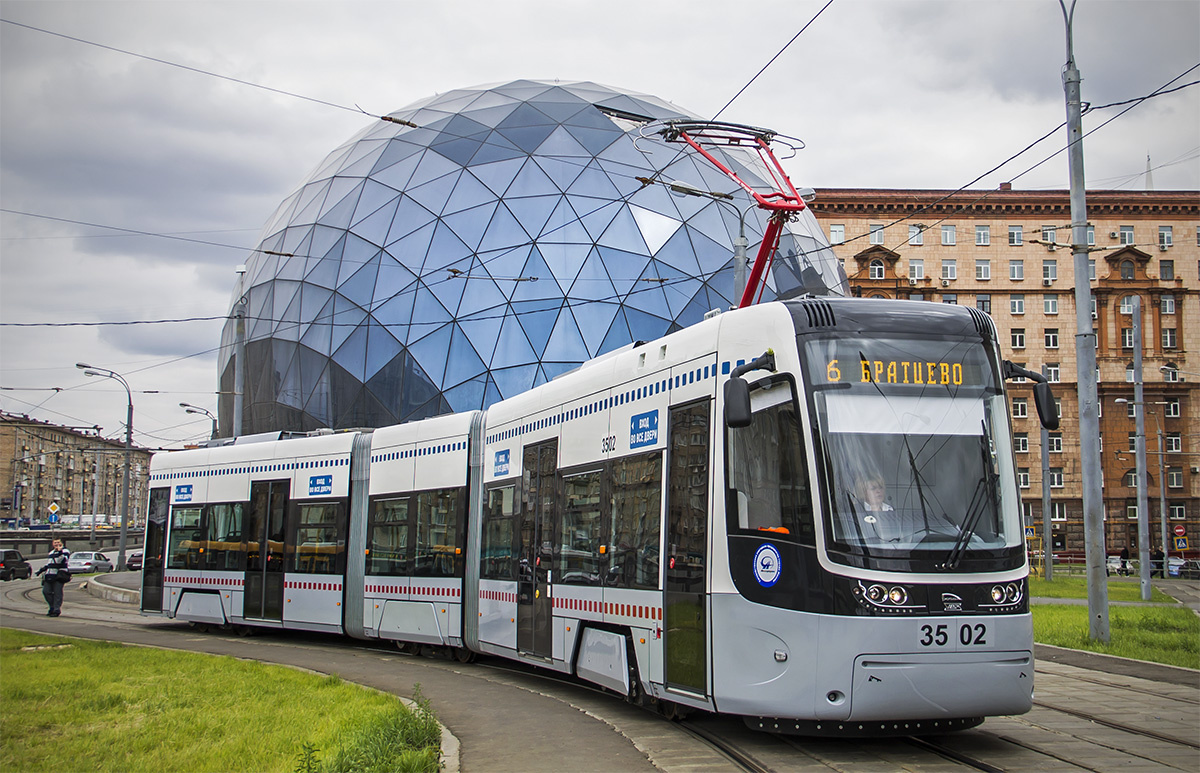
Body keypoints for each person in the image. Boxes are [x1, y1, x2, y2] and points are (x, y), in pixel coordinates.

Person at [34, 538, 71, 617]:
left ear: (62, 543)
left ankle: (56, 609)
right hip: (49, 575)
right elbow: (49, 564)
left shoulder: (65, 551)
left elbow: (61, 560)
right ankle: (52, 606)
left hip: (59, 576)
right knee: (46, 591)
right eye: (55, 543)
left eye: (58, 542)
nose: (56, 544)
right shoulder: (51, 552)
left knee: (57, 593)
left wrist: (59, 551)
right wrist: (41, 570)